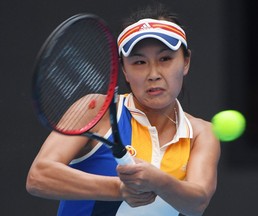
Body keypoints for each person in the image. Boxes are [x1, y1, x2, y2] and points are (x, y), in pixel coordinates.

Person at [26, 3, 220, 216]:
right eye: (139, 62)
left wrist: (156, 180)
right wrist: (118, 188)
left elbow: (197, 203)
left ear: (185, 62)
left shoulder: (201, 133)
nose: (153, 73)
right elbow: (39, 177)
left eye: (165, 59)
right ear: (125, 70)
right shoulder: (97, 109)